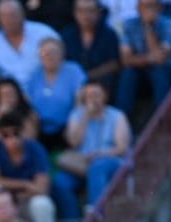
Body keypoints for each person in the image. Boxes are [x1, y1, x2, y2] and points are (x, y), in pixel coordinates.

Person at [54, 81, 131, 215]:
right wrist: (85, 117)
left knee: (98, 166)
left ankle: (96, 213)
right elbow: (74, 143)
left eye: (96, 95)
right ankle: (72, 220)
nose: (92, 99)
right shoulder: (76, 115)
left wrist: (99, 154)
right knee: (60, 182)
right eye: (88, 96)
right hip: (82, 165)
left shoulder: (117, 116)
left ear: (105, 96)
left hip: (110, 161)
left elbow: (121, 148)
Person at [115, 0, 171, 117]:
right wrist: (148, 59)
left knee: (159, 71)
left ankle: (163, 118)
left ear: (160, 7)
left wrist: (148, 28)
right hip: (142, 73)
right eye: (144, 6)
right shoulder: (129, 25)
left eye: (152, 5)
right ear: (138, 8)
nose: (148, 10)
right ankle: (122, 119)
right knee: (128, 73)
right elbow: (126, 60)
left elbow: (160, 60)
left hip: (169, 73)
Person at [25, 37, 86, 152]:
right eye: (45, 53)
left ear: (62, 54)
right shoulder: (35, 74)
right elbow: (27, 99)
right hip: (39, 125)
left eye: (53, 52)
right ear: (39, 56)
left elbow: (80, 97)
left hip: (66, 123)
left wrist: (75, 116)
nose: (49, 56)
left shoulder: (73, 70)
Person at [0, 0, 59, 90]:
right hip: (13, 94)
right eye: (4, 16)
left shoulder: (44, 33)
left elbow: (61, 61)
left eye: (12, 15)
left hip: (44, 88)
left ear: (22, 14)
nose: (8, 20)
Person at [60, 0, 122, 101]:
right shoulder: (67, 35)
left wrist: (87, 76)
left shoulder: (109, 34)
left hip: (102, 84)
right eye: (81, 11)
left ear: (98, 13)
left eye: (90, 11)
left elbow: (114, 64)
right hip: (73, 84)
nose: (86, 15)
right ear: (75, 13)